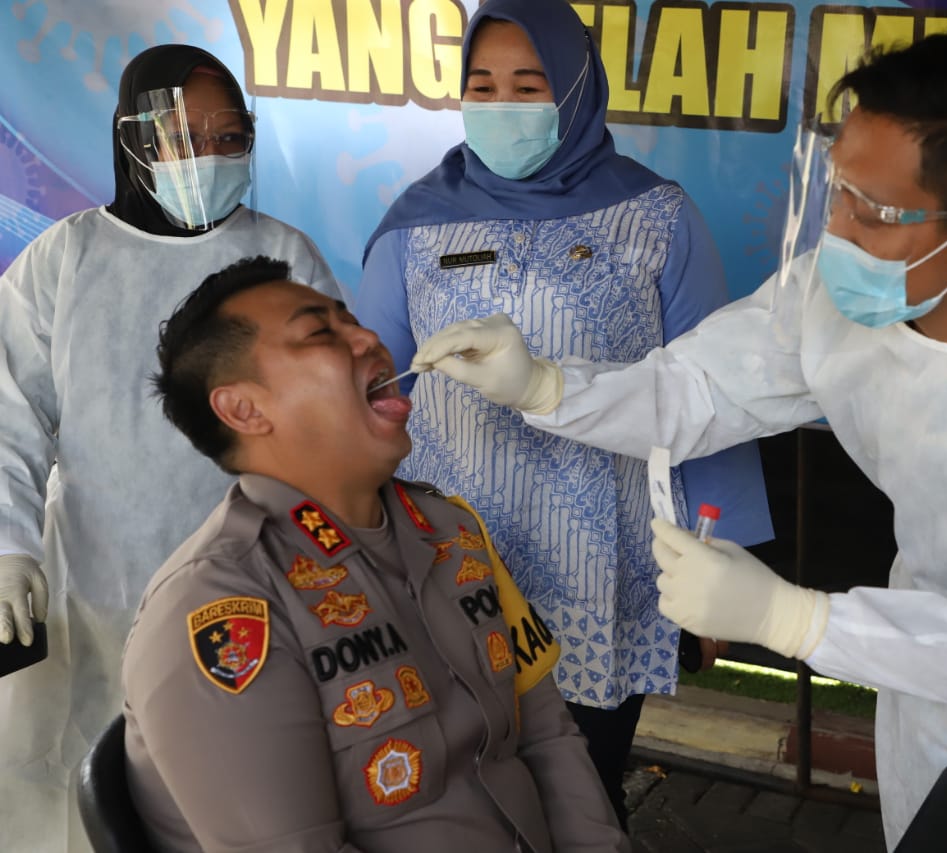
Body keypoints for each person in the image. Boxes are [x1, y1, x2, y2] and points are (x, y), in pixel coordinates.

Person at [407, 30, 947, 849]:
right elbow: (696, 388)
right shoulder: (833, 299)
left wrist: (791, 619)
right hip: (933, 711)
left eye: (876, 212)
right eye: (839, 191)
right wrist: (544, 385)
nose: (838, 231)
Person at [354, 0, 772, 825]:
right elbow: (372, 389)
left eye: (527, 84)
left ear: (576, 89)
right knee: (458, 790)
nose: (502, 104)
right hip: (451, 555)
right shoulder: (413, 223)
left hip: (602, 558)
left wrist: (722, 555)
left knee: (582, 789)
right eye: (483, 84)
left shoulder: (657, 218)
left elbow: (712, 393)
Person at [123, 255, 627, 852]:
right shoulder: (223, 604)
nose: (369, 340)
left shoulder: (453, 531)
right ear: (244, 410)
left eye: (353, 321)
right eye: (320, 333)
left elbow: (546, 733)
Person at [0, 46, 342, 853]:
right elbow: (8, 414)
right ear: (132, 139)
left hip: (254, 588)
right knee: (91, 792)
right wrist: (10, 548)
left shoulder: (284, 260)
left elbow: (335, 427)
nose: (211, 157)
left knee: (243, 792)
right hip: (97, 586)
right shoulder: (67, 260)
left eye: (231, 137)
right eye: (184, 136)